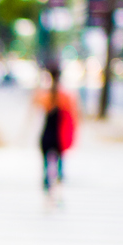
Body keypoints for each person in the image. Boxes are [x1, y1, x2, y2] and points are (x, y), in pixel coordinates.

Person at [34, 66, 78, 202]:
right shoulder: (66, 96)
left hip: (46, 134)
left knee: (46, 166)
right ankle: (59, 191)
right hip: (59, 136)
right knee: (60, 164)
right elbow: (74, 116)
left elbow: (34, 105)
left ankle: (48, 193)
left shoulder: (43, 95)